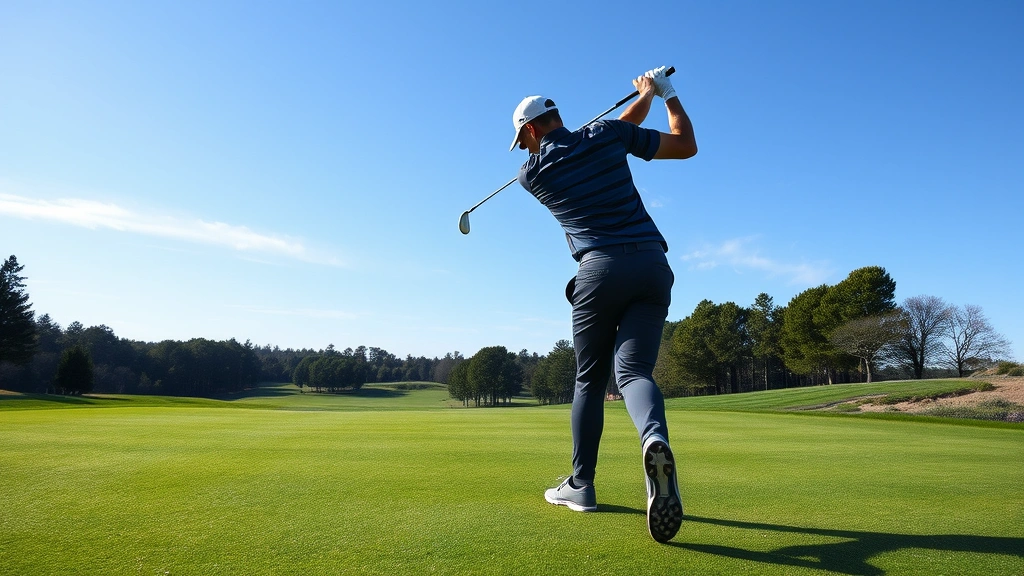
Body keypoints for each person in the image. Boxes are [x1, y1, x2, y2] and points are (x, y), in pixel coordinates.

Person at [509, 66, 697, 543]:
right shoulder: (608, 134)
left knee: (590, 378)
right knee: (634, 373)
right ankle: (654, 438)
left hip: (600, 270)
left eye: (524, 140)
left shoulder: (532, 174)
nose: (525, 149)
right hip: (653, 265)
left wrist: (644, 100)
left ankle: (580, 485)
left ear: (530, 130)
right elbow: (683, 144)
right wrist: (662, 95)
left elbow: (601, 134)